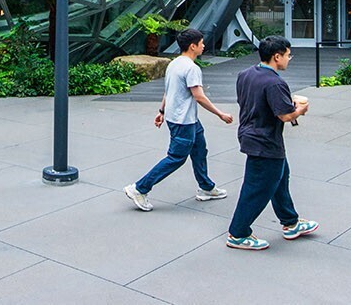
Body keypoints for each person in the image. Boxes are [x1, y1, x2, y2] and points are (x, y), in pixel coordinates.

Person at [124, 27, 234, 211]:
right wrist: (220, 114)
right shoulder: (192, 68)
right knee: (176, 157)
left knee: (199, 149)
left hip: (182, 118)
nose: (204, 46)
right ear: (193, 46)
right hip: (184, 121)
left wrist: (161, 111)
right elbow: (198, 96)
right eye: (201, 43)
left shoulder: (174, 64)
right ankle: (139, 188)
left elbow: (169, 90)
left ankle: (206, 187)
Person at [226, 36, 317, 251]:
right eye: (287, 55)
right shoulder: (275, 82)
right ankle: (238, 233)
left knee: (279, 179)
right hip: (265, 141)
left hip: (251, 135)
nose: (289, 58)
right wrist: (300, 109)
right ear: (277, 56)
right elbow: (285, 115)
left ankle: (290, 222)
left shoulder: (245, 74)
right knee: (257, 188)